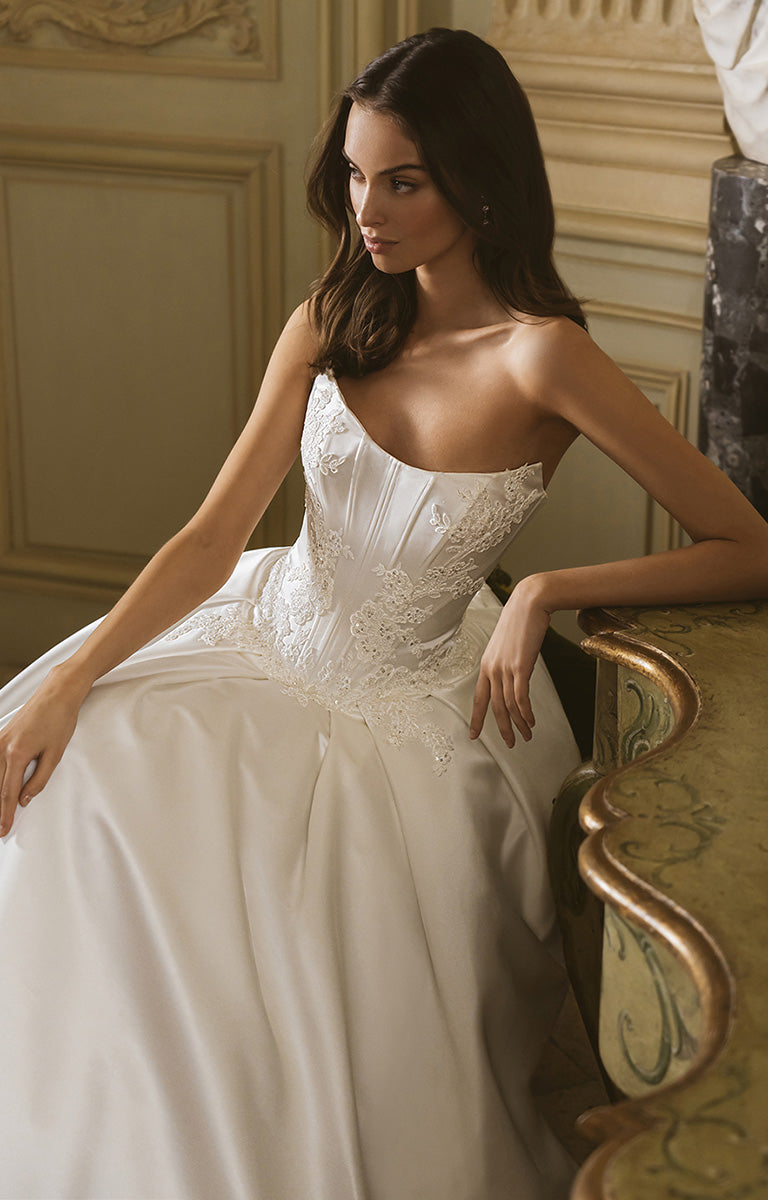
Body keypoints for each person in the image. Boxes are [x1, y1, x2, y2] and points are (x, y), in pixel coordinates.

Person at [0, 26, 766, 1200]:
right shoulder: (331, 318)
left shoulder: (543, 360)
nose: (369, 207)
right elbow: (214, 537)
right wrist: (72, 677)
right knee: (74, 787)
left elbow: (746, 546)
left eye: (402, 179)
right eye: (357, 175)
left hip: (400, 714)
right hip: (262, 631)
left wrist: (550, 592)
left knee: (284, 949)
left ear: (478, 176)